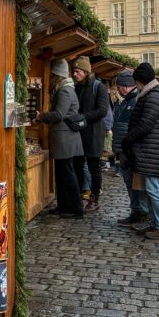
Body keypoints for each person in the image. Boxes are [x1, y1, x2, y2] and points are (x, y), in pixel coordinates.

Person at [121, 62, 159, 240]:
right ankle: (155, 223)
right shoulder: (151, 94)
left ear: (140, 81)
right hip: (148, 149)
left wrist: (129, 139)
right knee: (148, 188)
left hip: (152, 149)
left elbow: (145, 124)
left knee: (153, 188)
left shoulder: (154, 96)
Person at [37, 58, 84, 219]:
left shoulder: (64, 91)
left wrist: (41, 116)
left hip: (65, 139)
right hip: (65, 139)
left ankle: (75, 209)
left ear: (57, 75)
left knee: (67, 175)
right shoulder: (67, 89)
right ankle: (64, 206)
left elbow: (59, 115)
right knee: (63, 174)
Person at [110, 70, 149, 226]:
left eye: (120, 86)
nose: (118, 89)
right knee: (129, 182)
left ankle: (142, 213)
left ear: (126, 86)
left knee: (137, 182)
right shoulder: (124, 101)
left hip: (130, 148)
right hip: (123, 148)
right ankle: (135, 211)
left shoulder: (136, 101)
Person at [72, 56, 109, 212]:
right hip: (79, 133)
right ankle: (80, 197)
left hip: (94, 134)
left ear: (86, 72)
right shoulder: (78, 87)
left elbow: (102, 110)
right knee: (78, 166)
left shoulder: (98, 87)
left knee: (94, 168)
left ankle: (94, 199)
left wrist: (83, 117)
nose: (74, 74)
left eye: (77, 71)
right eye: (74, 71)